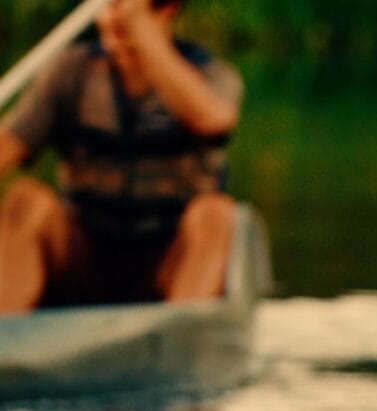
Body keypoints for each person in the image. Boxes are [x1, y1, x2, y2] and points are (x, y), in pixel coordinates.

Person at [0, 0, 241, 315]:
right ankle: (8, 330)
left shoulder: (211, 73)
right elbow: (8, 148)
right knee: (24, 200)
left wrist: (142, 30)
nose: (114, 19)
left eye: (125, 6)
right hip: (85, 254)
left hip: (168, 263)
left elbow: (213, 120)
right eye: (108, 5)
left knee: (216, 214)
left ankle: (180, 333)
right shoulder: (72, 71)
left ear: (168, 9)